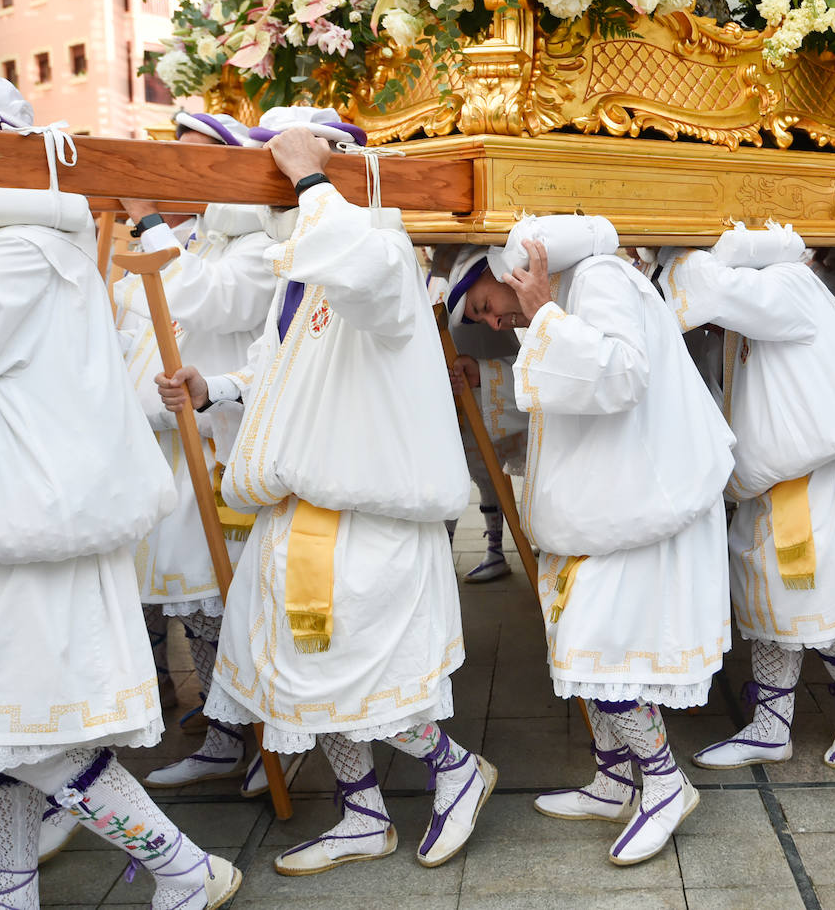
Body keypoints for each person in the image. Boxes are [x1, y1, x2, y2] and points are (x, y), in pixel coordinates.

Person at [0, 62, 240, 908]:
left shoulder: (25, 249)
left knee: (33, 736)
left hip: (21, 537)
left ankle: (185, 866)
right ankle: (12, 891)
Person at [155, 107, 495, 875]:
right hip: (297, 512)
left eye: (285, 179)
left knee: (371, 677)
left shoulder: (380, 252)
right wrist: (219, 389)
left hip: (366, 515)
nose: (277, 199)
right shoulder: (303, 276)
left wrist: (312, 178)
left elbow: (364, 273)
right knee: (304, 679)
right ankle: (363, 815)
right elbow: (280, 372)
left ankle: (455, 769)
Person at [456, 214, 736, 865]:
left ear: (515, 273)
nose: (495, 321)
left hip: (638, 510)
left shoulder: (604, 278)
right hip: (603, 510)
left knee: (598, 653)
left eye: (487, 306)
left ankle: (664, 784)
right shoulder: (573, 295)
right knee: (578, 651)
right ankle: (615, 781)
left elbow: (621, 376)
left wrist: (545, 317)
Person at [654, 225, 835, 772]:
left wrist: (672, 248)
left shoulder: (787, 286)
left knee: (824, 603)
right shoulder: (748, 316)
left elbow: (708, 291)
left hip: (828, 480)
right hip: (775, 484)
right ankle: (770, 726)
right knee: (769, 603)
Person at [108, 112, 286, 795]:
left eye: (190, 163)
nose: (169, 173)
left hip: (218, 448)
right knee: (194, 602)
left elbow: (203, 299)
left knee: (223, 598)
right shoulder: (202, 241)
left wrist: (149, 218)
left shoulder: (252, 249)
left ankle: (245, 733)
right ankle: (224, 728)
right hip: (170, 451)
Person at [431, 245, 527, 582]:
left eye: (487, 308)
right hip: (466, 358)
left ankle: (495, 550)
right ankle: (454, 554)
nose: (497, 321)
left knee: (487, 466)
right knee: (459, 467)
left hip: (482, 352)